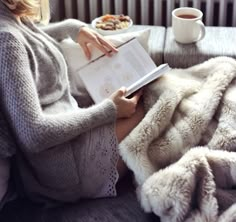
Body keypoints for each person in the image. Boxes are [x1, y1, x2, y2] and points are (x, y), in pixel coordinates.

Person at [0, 0, 145, 203]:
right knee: (155, 100)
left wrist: (72, 28)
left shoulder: (12, 19)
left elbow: (29, 40)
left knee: (159, 92)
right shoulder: (6, 41)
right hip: (62, 172)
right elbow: (33, 135)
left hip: (68, 143)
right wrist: (109, 110)